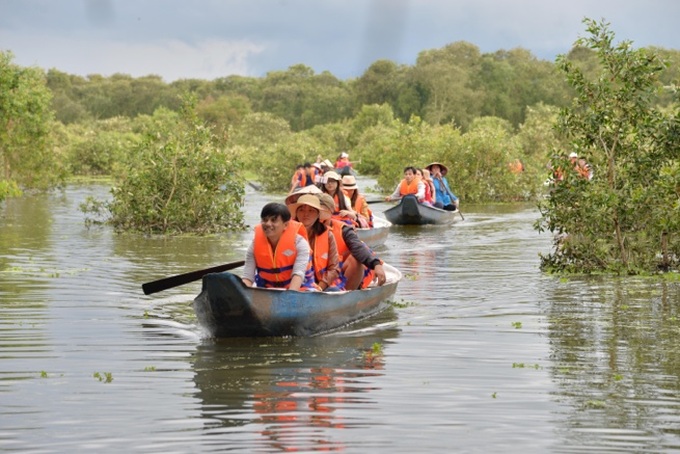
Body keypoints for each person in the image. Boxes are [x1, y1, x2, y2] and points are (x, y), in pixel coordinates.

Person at [317, 193, 386, 290]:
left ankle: (346, 294)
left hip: (340, 271)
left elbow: (358, 247)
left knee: (355, 259)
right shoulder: (306, 228)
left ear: (330, 211)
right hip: (318, 272)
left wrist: (376, 264)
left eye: (321, 210)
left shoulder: (344, 229)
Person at [241, 202, 315, 291]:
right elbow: (248, 277)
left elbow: (298, 274)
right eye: (264, 220)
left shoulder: (300, 243)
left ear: (286, 225)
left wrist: (290, 295)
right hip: (268, 290)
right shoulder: (254, 245)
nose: (268, 224)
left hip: (299, 290)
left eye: (274, 220)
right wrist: (243, 293)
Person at [287, 194, 342, 291]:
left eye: (311, 210)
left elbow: (334, 268)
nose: (305, 214)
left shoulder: (328, 235)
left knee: (334, 291)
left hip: (319, 284)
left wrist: (320, 287)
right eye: (301, 210)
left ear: (318, 215)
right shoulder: (286, 233)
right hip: (290, 284)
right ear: (296, 213)